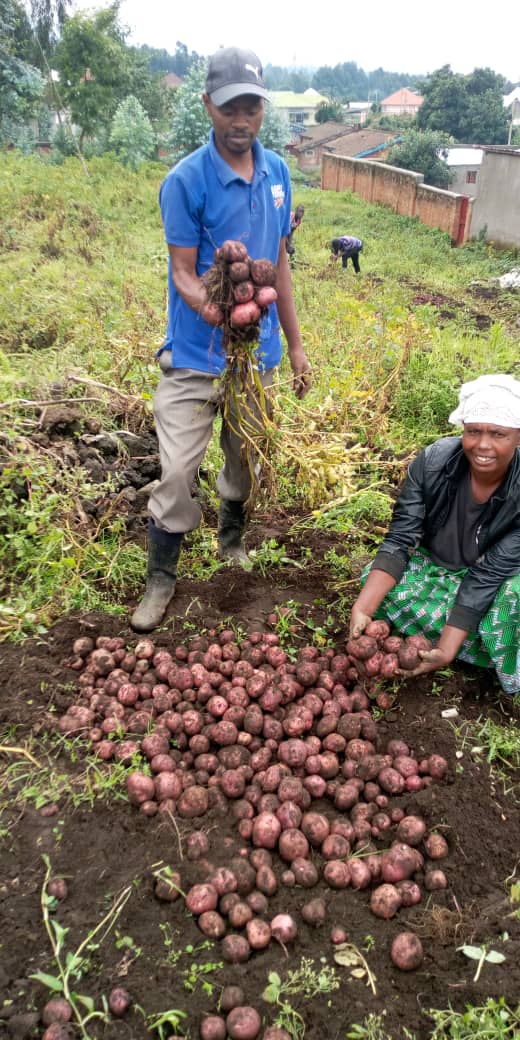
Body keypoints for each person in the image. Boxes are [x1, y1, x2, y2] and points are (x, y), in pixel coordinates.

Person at [130, 46, 312, 633]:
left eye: (251, 108)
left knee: (246, 458)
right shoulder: (185, 181)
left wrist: (296, 346)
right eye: (230, 107)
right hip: (194, 354)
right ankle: (162, 577)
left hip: (256, 356)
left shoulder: (279, 173)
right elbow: (184, 270)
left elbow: (278, 265)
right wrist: (210, 309)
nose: (241, 120)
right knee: (179, 469)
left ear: (263, 109)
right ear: (209, 104)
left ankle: (231, 540)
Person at [349, 374, 520, 696]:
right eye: (473, 432)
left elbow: (489, 573)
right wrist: (362, 610)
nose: (483, 445)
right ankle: (475, 641)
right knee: (372, 584)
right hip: (438, 566)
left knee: (516, 601)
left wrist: (446, 650)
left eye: (498, 434)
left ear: (518, 437)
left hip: (497, 579)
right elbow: (402, 536)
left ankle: (465, 641)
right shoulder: (432, 463)